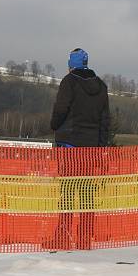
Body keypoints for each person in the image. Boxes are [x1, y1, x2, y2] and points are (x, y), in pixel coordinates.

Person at [46, 48, 111, 250]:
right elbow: (104, 119)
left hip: (69, 145)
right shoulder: (100, 85)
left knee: (67, 192)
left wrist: (55, 125)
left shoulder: (69, 81)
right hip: (91, 149)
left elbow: (61, 108)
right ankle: (84, 238)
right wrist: (100, 146)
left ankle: (63, 236)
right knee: (86, 193)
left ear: (70, 64)